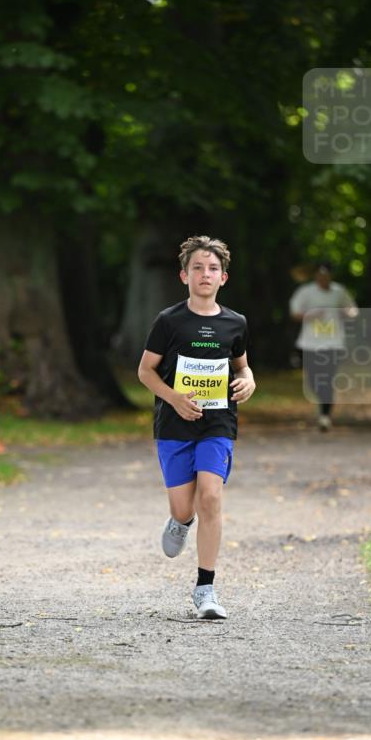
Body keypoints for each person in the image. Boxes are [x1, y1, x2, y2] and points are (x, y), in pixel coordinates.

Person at [137, 235, 255, 620]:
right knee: (185, 506)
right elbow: (145, 371)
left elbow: (242, 367)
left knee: (211, 498)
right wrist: (174, 398)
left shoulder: (235, 322)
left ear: (224, 278)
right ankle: (180, 521)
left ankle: (206, 588)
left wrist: (249, 381)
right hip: (174, 425)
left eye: (213, 268)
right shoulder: (169, 321)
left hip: (217, 423)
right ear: (184, 275)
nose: (206, 274)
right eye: (198, 268)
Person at [289, 263, 357, 431]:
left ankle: (325, 416)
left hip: (334, 343)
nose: (323, 278)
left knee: (327, 378)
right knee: (314, 380)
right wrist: (309, 315)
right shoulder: (306, 292)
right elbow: (295, 312)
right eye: (320, 275)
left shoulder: (339, 292)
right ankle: (323, 405)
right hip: (311, 343)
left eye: (326, 275)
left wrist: (347, 313)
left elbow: (353, 309)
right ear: (316, 276)